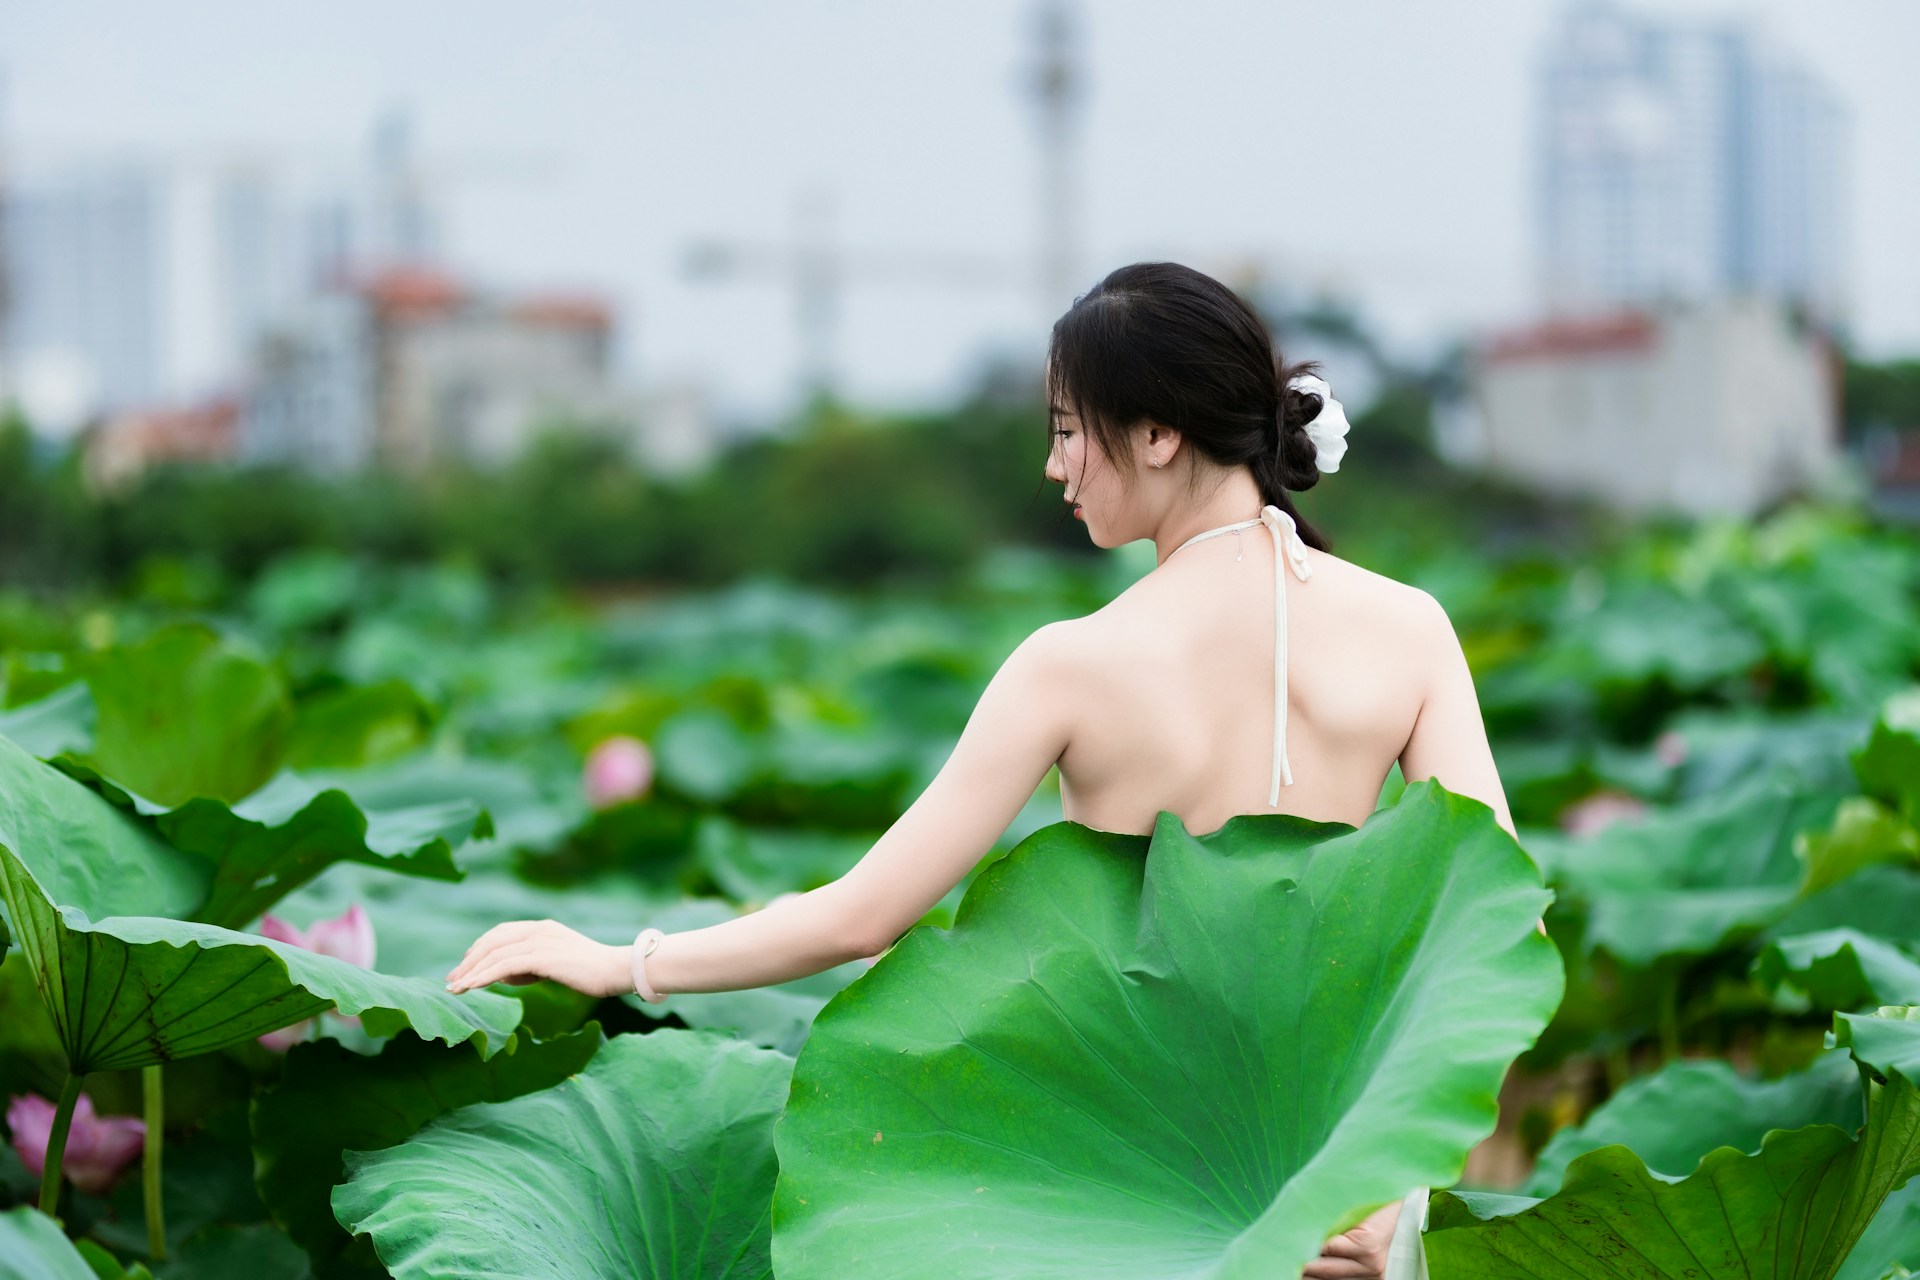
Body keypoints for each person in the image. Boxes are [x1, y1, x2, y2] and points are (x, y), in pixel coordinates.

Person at [444, 261, 1517, 1280]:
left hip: (1127, 1178)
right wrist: (1394, 1194)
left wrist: (625, 961)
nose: (1055, 465)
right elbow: (1492, 939)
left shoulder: (1070, 665)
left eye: (1068, 429)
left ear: (1157, 433)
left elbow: (859, 917)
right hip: (1345, 1185)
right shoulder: (1412, 629)